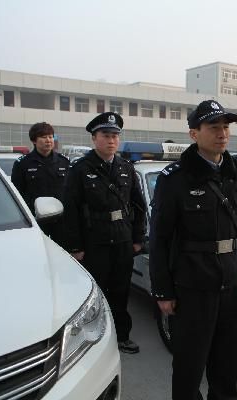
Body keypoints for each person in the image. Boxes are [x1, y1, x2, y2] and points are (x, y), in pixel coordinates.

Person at [149, 100, 237, 400]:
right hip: (193, 286)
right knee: (189, 363)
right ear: (194, 134)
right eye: (213, 127)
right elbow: (159, 238)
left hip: (230, 283)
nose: (222, 134)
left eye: (226, 127)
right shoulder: (174, 179)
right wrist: (163, 291)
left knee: (227, 361)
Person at [62, 112, 146, 353]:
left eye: (115, 136)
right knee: (96, 292)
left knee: (121, 291)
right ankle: (95, 339)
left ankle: (121, 336)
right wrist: (76, 247)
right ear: (94, 138)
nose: (111, 140)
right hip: (94, 241)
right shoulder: (80, 169)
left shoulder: (125, 168)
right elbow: (71, 210)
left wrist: (138, 239)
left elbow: (138, 206)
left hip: (122, 239)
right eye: (106, 135)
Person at [11, 122, 69, 244]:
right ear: (34, 140)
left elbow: (71, 191)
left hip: (61, 219)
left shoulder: (64, 162)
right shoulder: (23, 163)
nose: (48, 140)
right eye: (43, 137)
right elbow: (17, 193)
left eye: (51, 137)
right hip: (35, 219)